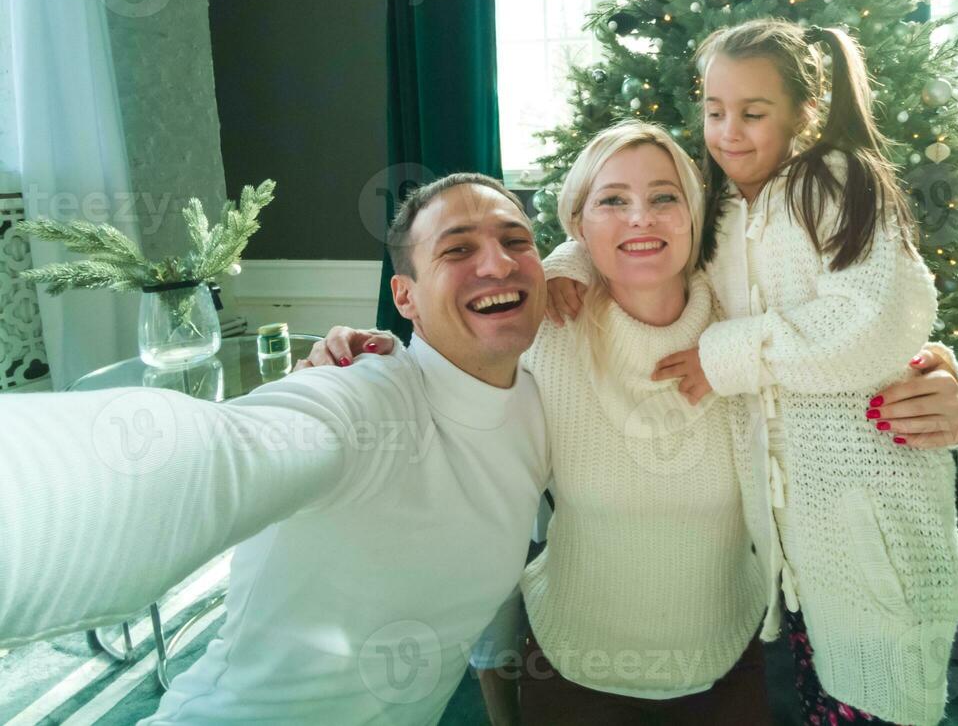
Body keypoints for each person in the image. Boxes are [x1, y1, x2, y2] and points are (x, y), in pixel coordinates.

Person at [310, 120, 958, 725]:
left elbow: (866, 333)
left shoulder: (749, 327)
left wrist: (952, 391)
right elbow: (449, 364)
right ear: (577, 223)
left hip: (724, 653)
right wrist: (365, 357)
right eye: (611, 201)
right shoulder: (543, 328)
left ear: (694, 215)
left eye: (665, 197)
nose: (642, 218)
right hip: (575, 660)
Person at [545, 20, 958, 725]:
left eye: (753, 113)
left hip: (874, 516)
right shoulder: (721, 214)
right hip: (800, 541)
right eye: (714, 112)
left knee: (883, 688)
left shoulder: (831, 181)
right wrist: (563, 265)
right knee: (824, 685)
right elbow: (623, 227)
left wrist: (723, 359)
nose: (728, 133)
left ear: (804, 113)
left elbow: (874, 320)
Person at [0, 174, 551, 724]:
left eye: (516, 241)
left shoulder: (538, 398)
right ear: (405, 296)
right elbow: (218, 457)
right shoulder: (367, 395)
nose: (498, 264)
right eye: (457, 248)